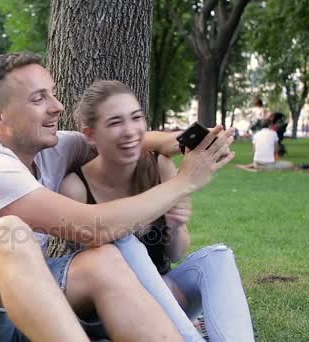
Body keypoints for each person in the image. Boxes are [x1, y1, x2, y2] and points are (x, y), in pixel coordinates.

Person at [0, 52, 235, 341]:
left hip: (21, 306)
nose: (57, 106)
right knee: (11, 235)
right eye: (39, 99)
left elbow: (117, 139)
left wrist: (178, 141)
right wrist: (184, 182)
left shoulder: (51, 146)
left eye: (52, 94)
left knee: (107, 259)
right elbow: (91, 227)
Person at [53, 80, 255, 341]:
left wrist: (175, 225)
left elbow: (177, 252)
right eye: (115, 123)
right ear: (91, 134)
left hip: (168, 296)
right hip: (113, 311)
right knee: (121, 240)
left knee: (218, 256)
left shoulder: (159, 165)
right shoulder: (75, 187)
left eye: (136, 118)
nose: (130, 131)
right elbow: (100, 268)